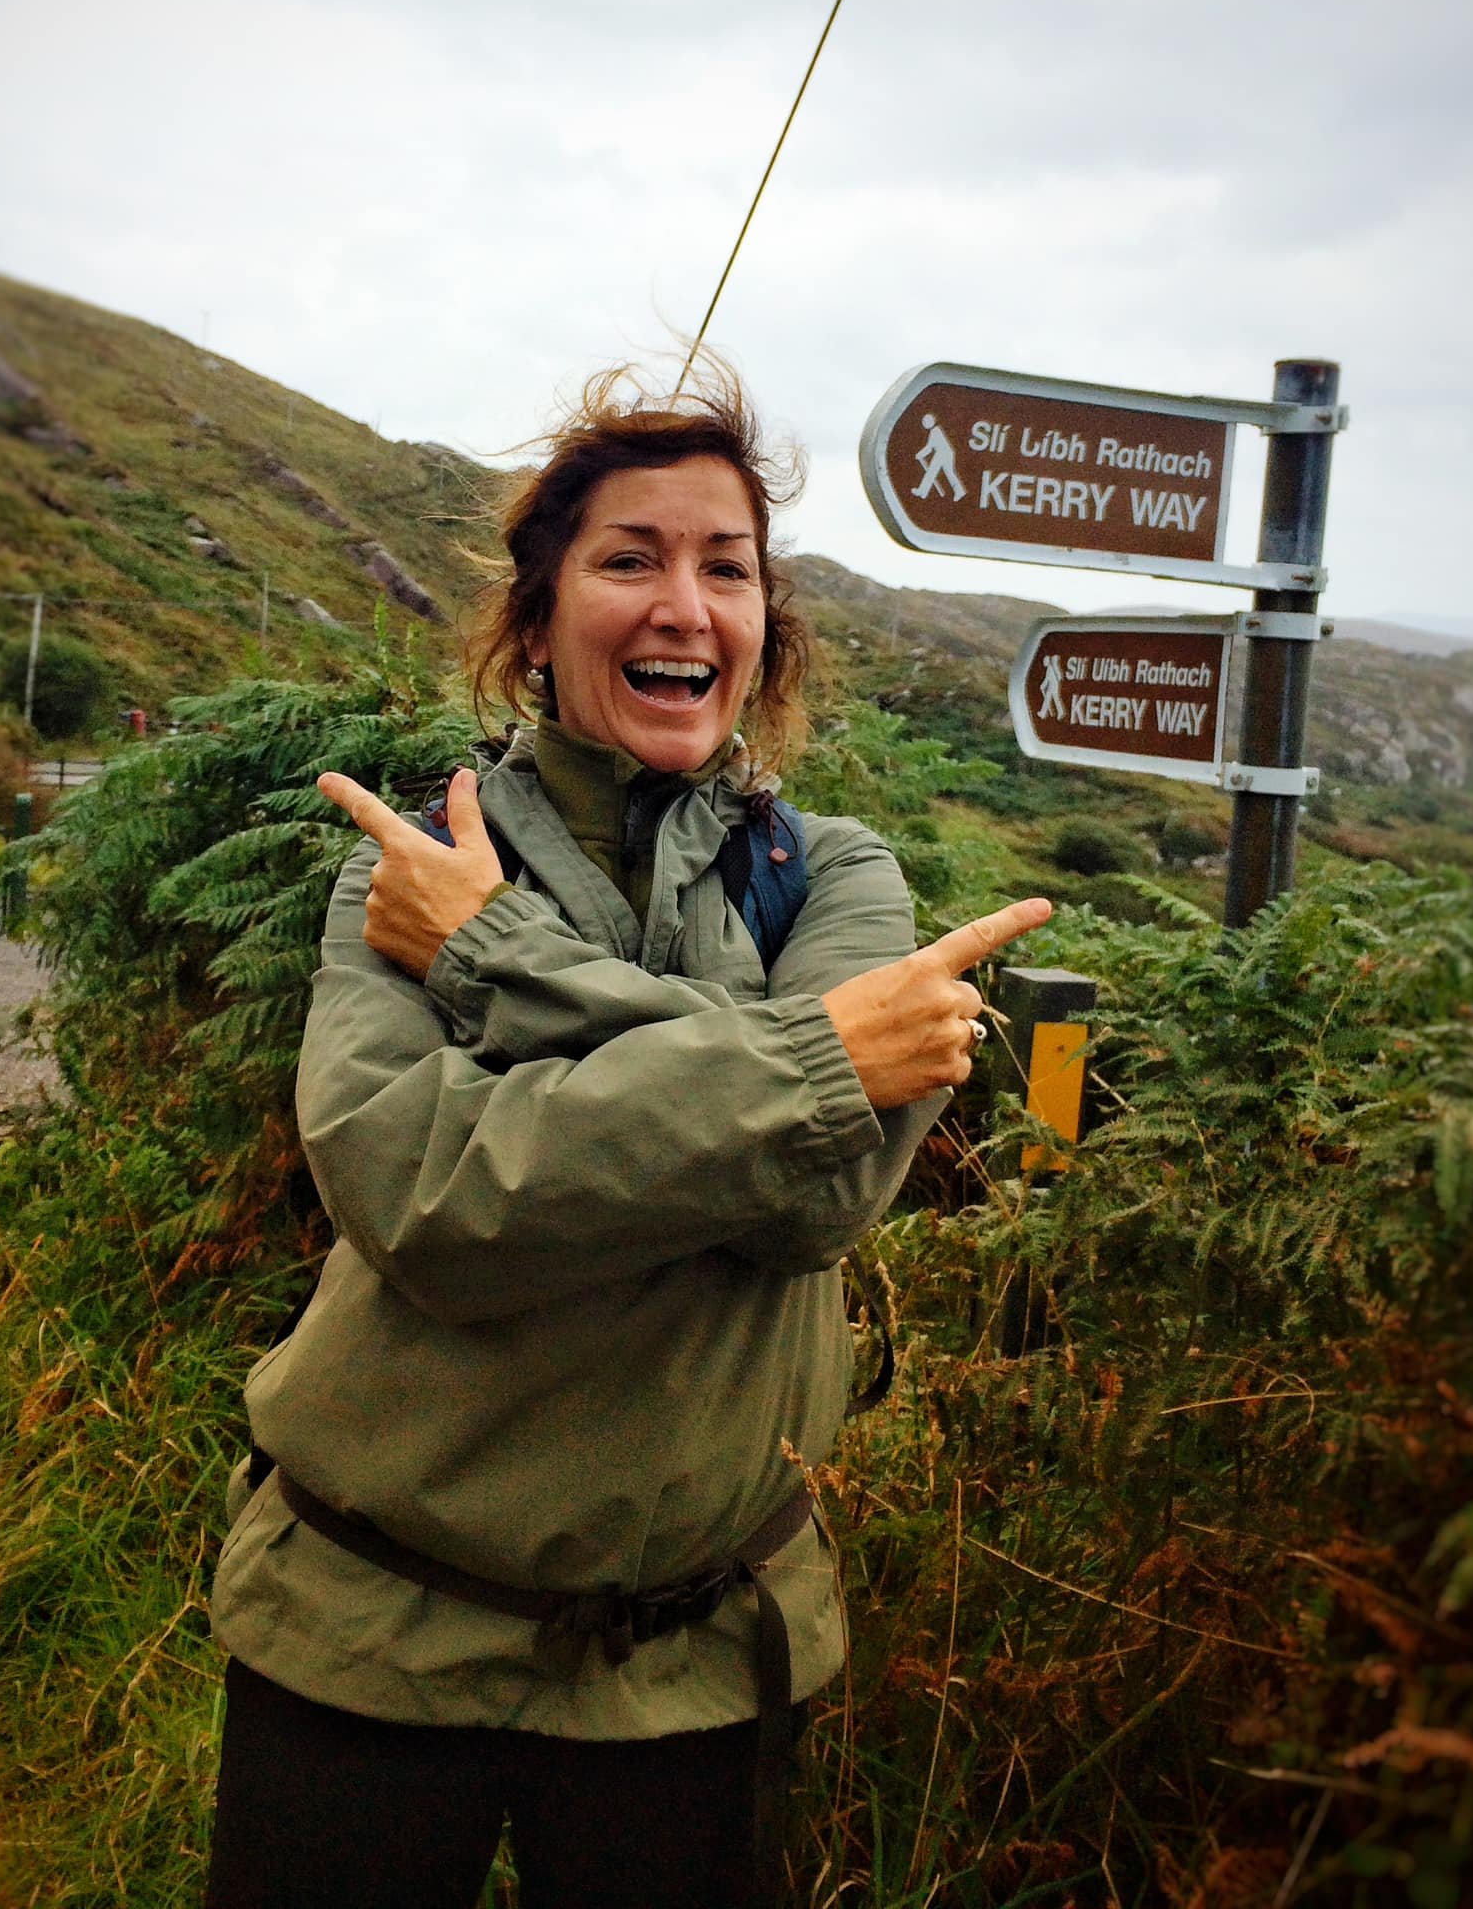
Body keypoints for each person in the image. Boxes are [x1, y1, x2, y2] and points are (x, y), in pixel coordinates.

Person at [205, 363, 1051, 1909]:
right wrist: (815, 1060)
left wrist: (494, 969)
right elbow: (431, 1203)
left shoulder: (839, 880)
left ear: (761, 632)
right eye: (627, 559)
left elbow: (818, 1206)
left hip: (703, 1666)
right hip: (365, 1636)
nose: (683, 602)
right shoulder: (401, 876)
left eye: (724, 567)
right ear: (535, 625)